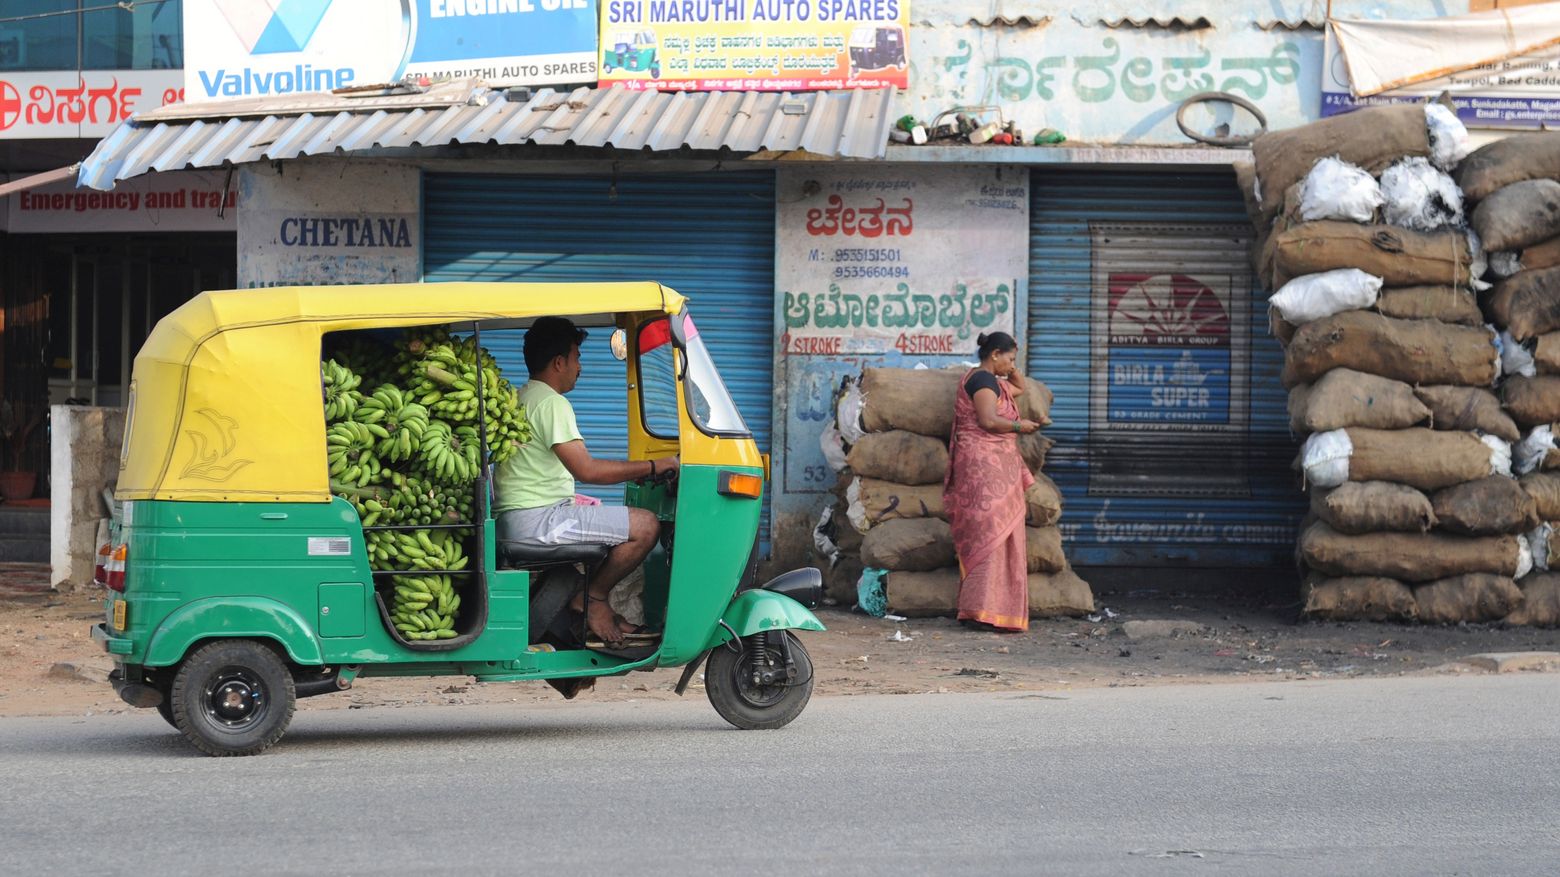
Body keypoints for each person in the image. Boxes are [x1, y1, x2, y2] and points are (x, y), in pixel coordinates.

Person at [494, 317, 679, 646]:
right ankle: (592, 599)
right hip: (537, 522)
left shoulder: (523, 397)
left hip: (520, 519)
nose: (580, 367)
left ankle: (588, 600)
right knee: (645, 526)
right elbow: (588, 470)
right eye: (577, 357)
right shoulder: (551, 403)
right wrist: (653, 466)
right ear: (559, 362)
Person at [942, 331, 1043, 632]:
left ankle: (994, 611)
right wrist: (1019, 425)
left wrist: (1011, 366)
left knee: (1002, 539)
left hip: (994, 468)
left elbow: (1018, 388)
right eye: (1009, 358)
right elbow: (987, 420)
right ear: (994, 354)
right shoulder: (983, 381)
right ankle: (980, 612)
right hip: (983, 470)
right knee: (988, 538)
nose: (1012, 365)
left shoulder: (994, 381)